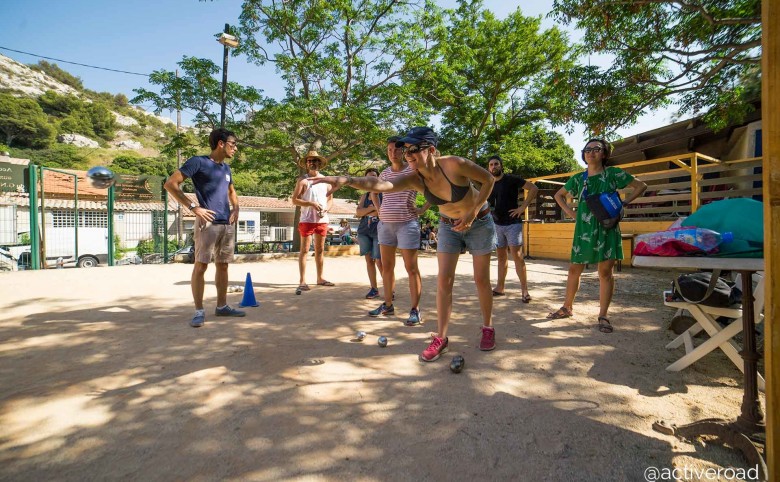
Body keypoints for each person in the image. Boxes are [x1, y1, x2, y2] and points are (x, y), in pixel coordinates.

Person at [313, 127, 497, 362]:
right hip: (448, 226)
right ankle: (441, 337)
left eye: (413, 150)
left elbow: (489, 180)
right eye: (405, 150)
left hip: (479, 222)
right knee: (444, 281)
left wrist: (472, 212)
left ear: (430, 149)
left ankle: (488, 328)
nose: (407, 154)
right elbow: (381, 186)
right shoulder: (413, 177)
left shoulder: (454, 164)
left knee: (481, 279)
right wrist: (346, 180)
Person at [546, 138, 647, 333]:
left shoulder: (613, 174)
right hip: (584, 228)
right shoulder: (578, 179)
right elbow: (559, 195)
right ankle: (567, 307)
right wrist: (572, 213)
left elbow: (641, 186)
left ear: (604, 153)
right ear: (583, 154)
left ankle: (603, 315)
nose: (591, 152)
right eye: (587, 149)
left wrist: (623, 204)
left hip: (607, 227)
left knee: (605, 273)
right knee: (574, 270)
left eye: (596, 149)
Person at [163, 128, 245, 328]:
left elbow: (231, 191)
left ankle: (222, 306)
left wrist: (236, 208)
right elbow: (171, 184)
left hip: (227, 224)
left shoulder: (226, 169)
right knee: (201, 266)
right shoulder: (198, 162)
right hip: (207, 224)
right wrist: (193, 207)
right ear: (221, 143)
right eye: (233, 144)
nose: (235, 148)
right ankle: (199, 310)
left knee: (223, 265)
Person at [369, 135, 429, 326]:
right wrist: (379, 211)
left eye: (396, 149)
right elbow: (374, 192)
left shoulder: (413, 171)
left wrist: (422, 209)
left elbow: (432, 191)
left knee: (411, 268)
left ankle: (415, 310)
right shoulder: (385, 173)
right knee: (387, 267)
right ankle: (387, 305)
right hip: (385, 225)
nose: (392, 153)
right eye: (389, 150)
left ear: (403, 151)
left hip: (407, 224)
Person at [487, 155, 538, 302]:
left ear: (501, 166)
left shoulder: (511, 179)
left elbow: (533, 188)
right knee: (501, 256)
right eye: (491, 165)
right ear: (488, 168)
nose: (494, 166)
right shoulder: (489, 183)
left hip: (512, 224)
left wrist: (522, 207)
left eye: (496, 164)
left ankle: (524, 291)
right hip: (497, 225)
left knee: (517, 256)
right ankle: (500, 288)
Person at [291, 150, 335, 293]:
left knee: (320, 250)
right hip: (307, 219)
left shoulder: (326, 181)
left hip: (322, 220)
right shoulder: (303, 180)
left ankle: (320, 278)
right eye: (310, 161)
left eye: (315, 161)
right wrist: (311, 204)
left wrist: (326, 210)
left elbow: (330, 200)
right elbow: (294, 199)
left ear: (320, 163)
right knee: (304, 250)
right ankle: (302, 280)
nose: (313, 163)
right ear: (306, 164)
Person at [355, 167, 383, 299]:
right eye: (368, 177)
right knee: (369, 260)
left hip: (379, 230)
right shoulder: (364, 196)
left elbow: (381, 212)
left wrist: (366, 210)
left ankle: (389, 289)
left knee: (379, 260)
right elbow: (358, 213)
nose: (371, 179)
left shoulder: (384, 194)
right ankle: (374, 288)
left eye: (374, 176)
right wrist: (372, 208)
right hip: (364, 230)